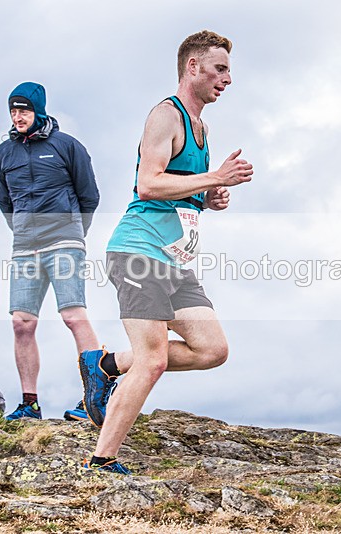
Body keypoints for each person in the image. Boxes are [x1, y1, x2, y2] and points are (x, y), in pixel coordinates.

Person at [78, 30, 254, 474]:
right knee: (153, 359)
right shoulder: (165, 115)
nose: (228, 79)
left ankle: (105, 364)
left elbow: (180, 194)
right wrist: (215, 177)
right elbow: (149, 184)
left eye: (229, 70)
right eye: (220, 69)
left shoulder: (202, 127)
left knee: (212, 349)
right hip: (138, 252)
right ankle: (102, 461)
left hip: (174, 261)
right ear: (192, 67)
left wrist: (208, 196)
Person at [0, 81, 102, 421]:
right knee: (21, 323)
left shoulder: (67, 146)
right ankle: (29, 404)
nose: (17, 116)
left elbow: (90, 196)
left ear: (38, 110)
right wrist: (24, 230)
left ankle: (92, 399)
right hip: (25, 245)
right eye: (13, 110)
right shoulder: (4, 152)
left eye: (23, 110)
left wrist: (73, 232)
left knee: (73, 316)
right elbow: (4, 201)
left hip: (65, 240)